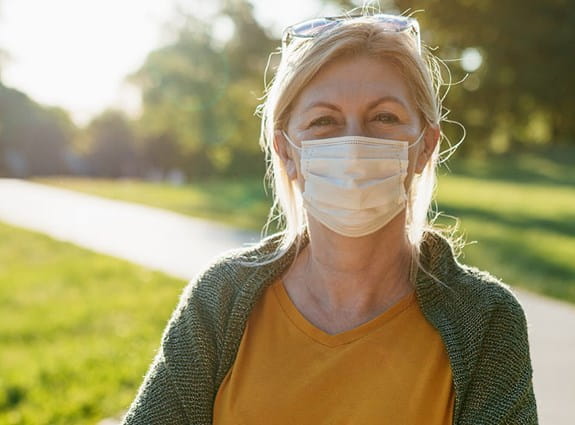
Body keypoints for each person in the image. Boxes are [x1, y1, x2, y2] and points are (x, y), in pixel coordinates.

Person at [122, 12, 538, 425]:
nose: (354, 144)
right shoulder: (220, 299)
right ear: (285, 151)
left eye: (384, 117)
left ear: (426, 145)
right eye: (324, 121)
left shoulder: (487, 320)